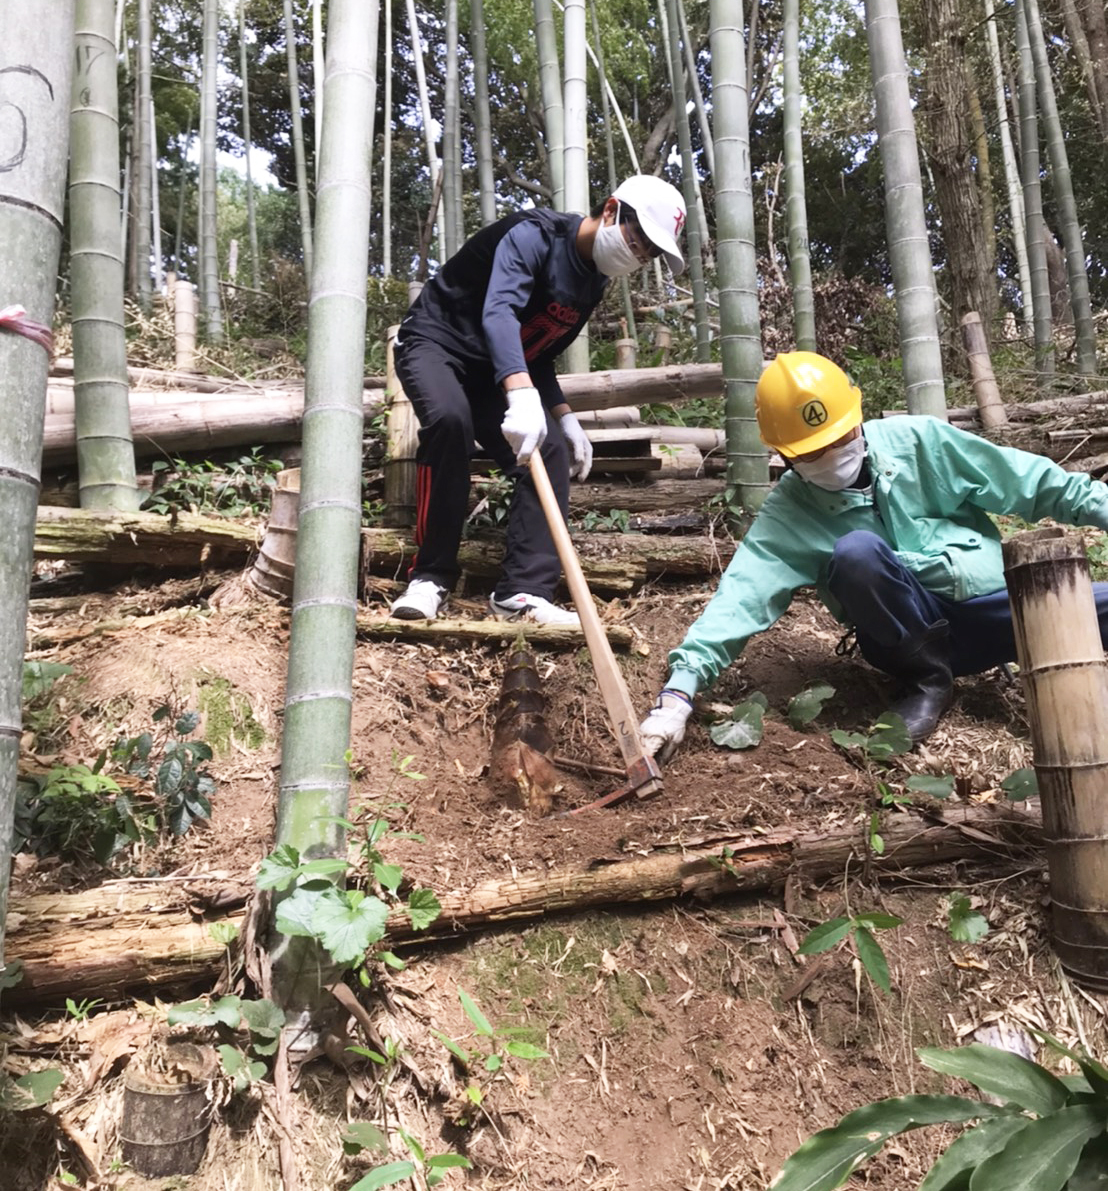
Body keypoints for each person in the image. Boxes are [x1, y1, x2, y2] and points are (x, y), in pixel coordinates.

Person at [639, 350, 1108, 758]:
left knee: (1092, 603)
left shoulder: (921, 442)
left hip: (997, 612)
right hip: (907, 641)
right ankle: (930, 683)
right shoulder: (790, 513)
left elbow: (1031, 482)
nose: (830, 455)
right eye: (812, 452)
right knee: (857, 553)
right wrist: (680, 691)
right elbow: (741, 596)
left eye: (840, 439)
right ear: (783, 455)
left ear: (858, 419)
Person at [389, 175, 688, 624]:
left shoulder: (593, 282)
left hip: (490, 368)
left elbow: (538, 351)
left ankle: (521, 593)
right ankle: (429, 577)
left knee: (549, 450)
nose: (638, 255)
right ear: (610, 210)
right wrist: (520, 393)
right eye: (637, 239)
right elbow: (500, 311)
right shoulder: (534, 236)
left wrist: (564, 418)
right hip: (435, 342)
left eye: (649, 253)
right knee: (451, 422)